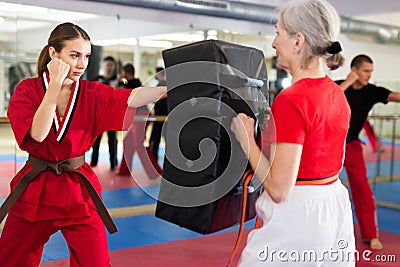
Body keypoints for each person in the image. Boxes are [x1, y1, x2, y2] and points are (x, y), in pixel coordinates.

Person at [0, 22, 166, 267]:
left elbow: (131, 96)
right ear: (54, 54)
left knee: (96, 262)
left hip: (78, 190)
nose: (81, 64)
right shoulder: (28, 90)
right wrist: (55, 84)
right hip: (35, 190)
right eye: (74, 55)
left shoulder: (91, 92)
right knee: (11, 260)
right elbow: (37, 133)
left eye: (86, 56)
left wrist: (169, 88)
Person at [230, 0, 355, 265]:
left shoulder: (292, 99)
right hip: (333, 205)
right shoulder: (336, 94)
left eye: (278, 32)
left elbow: (278, 189)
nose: (274, 43)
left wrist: (245, 139)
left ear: (298, 41)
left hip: (299, 216)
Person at [336, 54, 400, 250]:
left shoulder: (372, 91)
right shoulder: (338, 87)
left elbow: (394, 96)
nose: (369, 75)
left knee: (362, 188)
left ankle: (370, 234)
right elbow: (327, 99)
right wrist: (348, 82)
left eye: (371, 71)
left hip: (353, 145)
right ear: (354, 70)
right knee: (319, 187)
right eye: (365, 71)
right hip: (330, 144)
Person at [116, 64, 162, 178]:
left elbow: (120, 94)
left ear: (125, 73)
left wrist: (119, 80)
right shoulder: (128, 83)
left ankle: (155, 173)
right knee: (128, 142)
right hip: (135, 117)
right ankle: (125, 170)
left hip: (141, 116)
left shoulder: (136, 84)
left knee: (138, 145)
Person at [90, 56, 119, 170]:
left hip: (112, 116)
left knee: (113, 141)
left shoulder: (117, 80)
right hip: (99, 116)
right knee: (96, 140)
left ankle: (113, 163)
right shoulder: (97, 79)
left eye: (111, 65)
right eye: (108, 65)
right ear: (104, 65)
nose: (109, 67)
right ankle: (93, 162)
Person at [149, 67, 168, 164]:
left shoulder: (161, 86)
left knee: (154, 140)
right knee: (162, 140)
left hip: (160, 118)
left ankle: (154, 163)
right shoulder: (164, 85)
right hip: (163, 118)